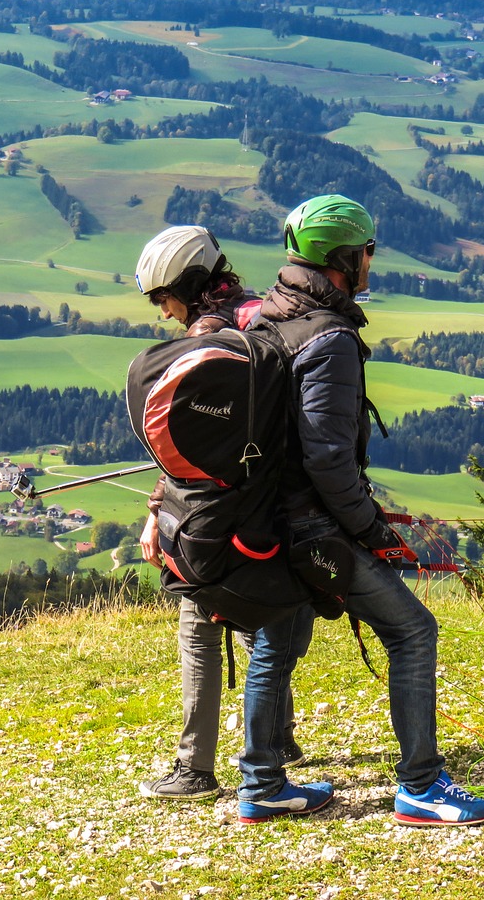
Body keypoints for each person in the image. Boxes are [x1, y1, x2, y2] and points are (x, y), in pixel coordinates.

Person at [235, 194, 484, 826]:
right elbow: (327, 459)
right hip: (313, 528)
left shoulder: (265, 319)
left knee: (274, 644)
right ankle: (420, 786)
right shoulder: (328, 339)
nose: (369, 260)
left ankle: (263, 786)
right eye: (366, 250)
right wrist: (372, 532)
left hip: (264, 523)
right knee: (412, 631)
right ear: (344, 258)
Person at [131, 225, 307, 803]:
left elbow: (190, 451)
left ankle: (194, 768)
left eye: (164, 299)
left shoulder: (207, 341)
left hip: (211, 513)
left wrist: (161, 509)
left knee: (199, 630)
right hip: (276, 506)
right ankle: (275, 739)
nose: (163, 314)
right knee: (269, 623)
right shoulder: (266, 319)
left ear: (186, 283)